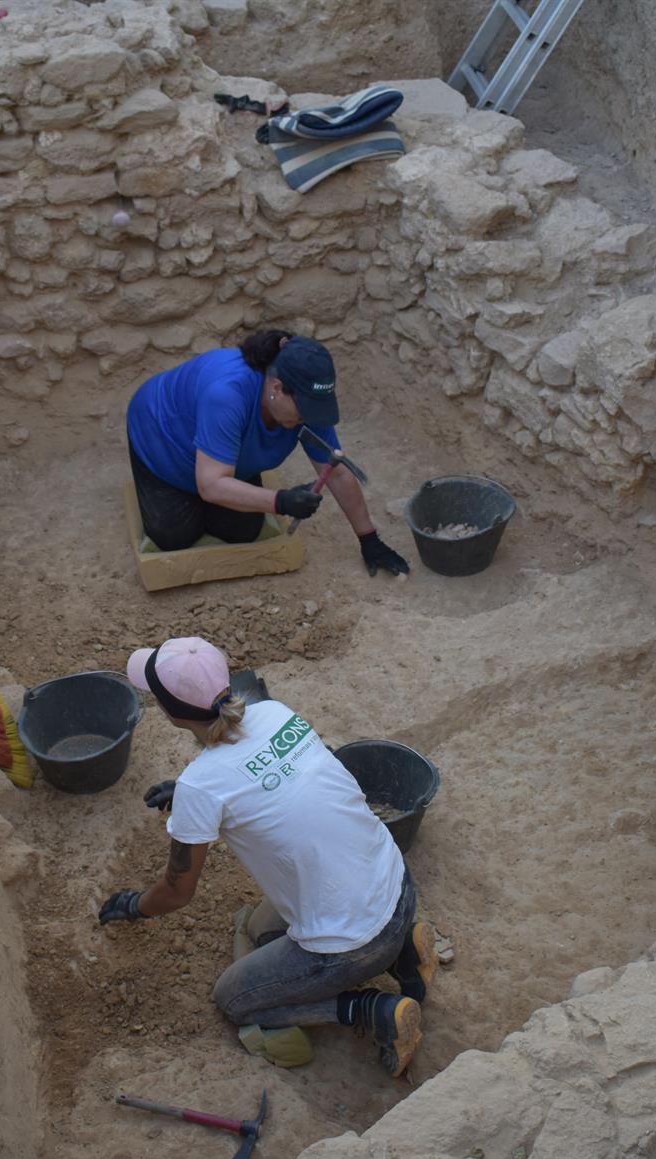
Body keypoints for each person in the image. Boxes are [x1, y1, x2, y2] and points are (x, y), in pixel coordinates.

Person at [96, 636, 435, 1076]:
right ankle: (406, 951)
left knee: (235, 999)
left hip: (355, 942)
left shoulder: (202, 785)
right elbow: (267, 778)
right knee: (260, 929)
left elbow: (178, 892)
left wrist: (134, 906)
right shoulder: (275, 713)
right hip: (398, 885)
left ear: (169, 711)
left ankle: (373, 1010)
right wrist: (187, 794)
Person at [125, 330, 412, 577]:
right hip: (163, 442)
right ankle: (177, 487)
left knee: (243, 531)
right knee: (174, 536)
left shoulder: (305, 402)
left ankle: (224, 485)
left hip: (221, 458)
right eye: (304, 410)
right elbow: (210, 485)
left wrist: (369, 539)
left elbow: (337, 473)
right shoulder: (227, 394)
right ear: (277, 388)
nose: (309, 418)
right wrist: (280, 501)